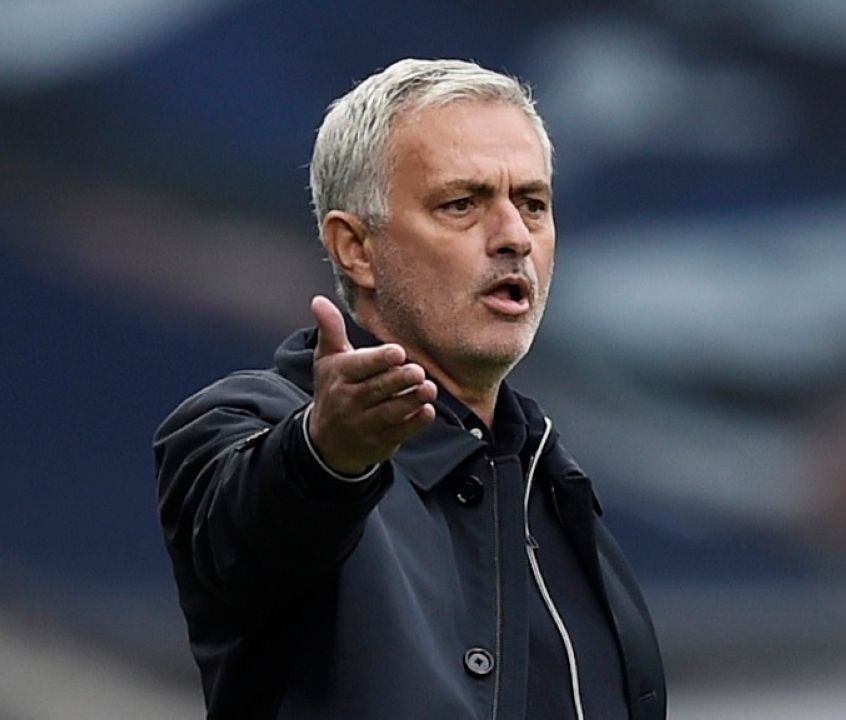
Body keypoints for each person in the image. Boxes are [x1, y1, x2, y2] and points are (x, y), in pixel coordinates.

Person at [154, 58, 666, 719]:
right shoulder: (250, 424)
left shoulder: (555, 488)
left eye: (533, 204)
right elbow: (246, 536)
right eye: (462, 204)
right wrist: (326, 460)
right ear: (356, 248)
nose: (514, 236)